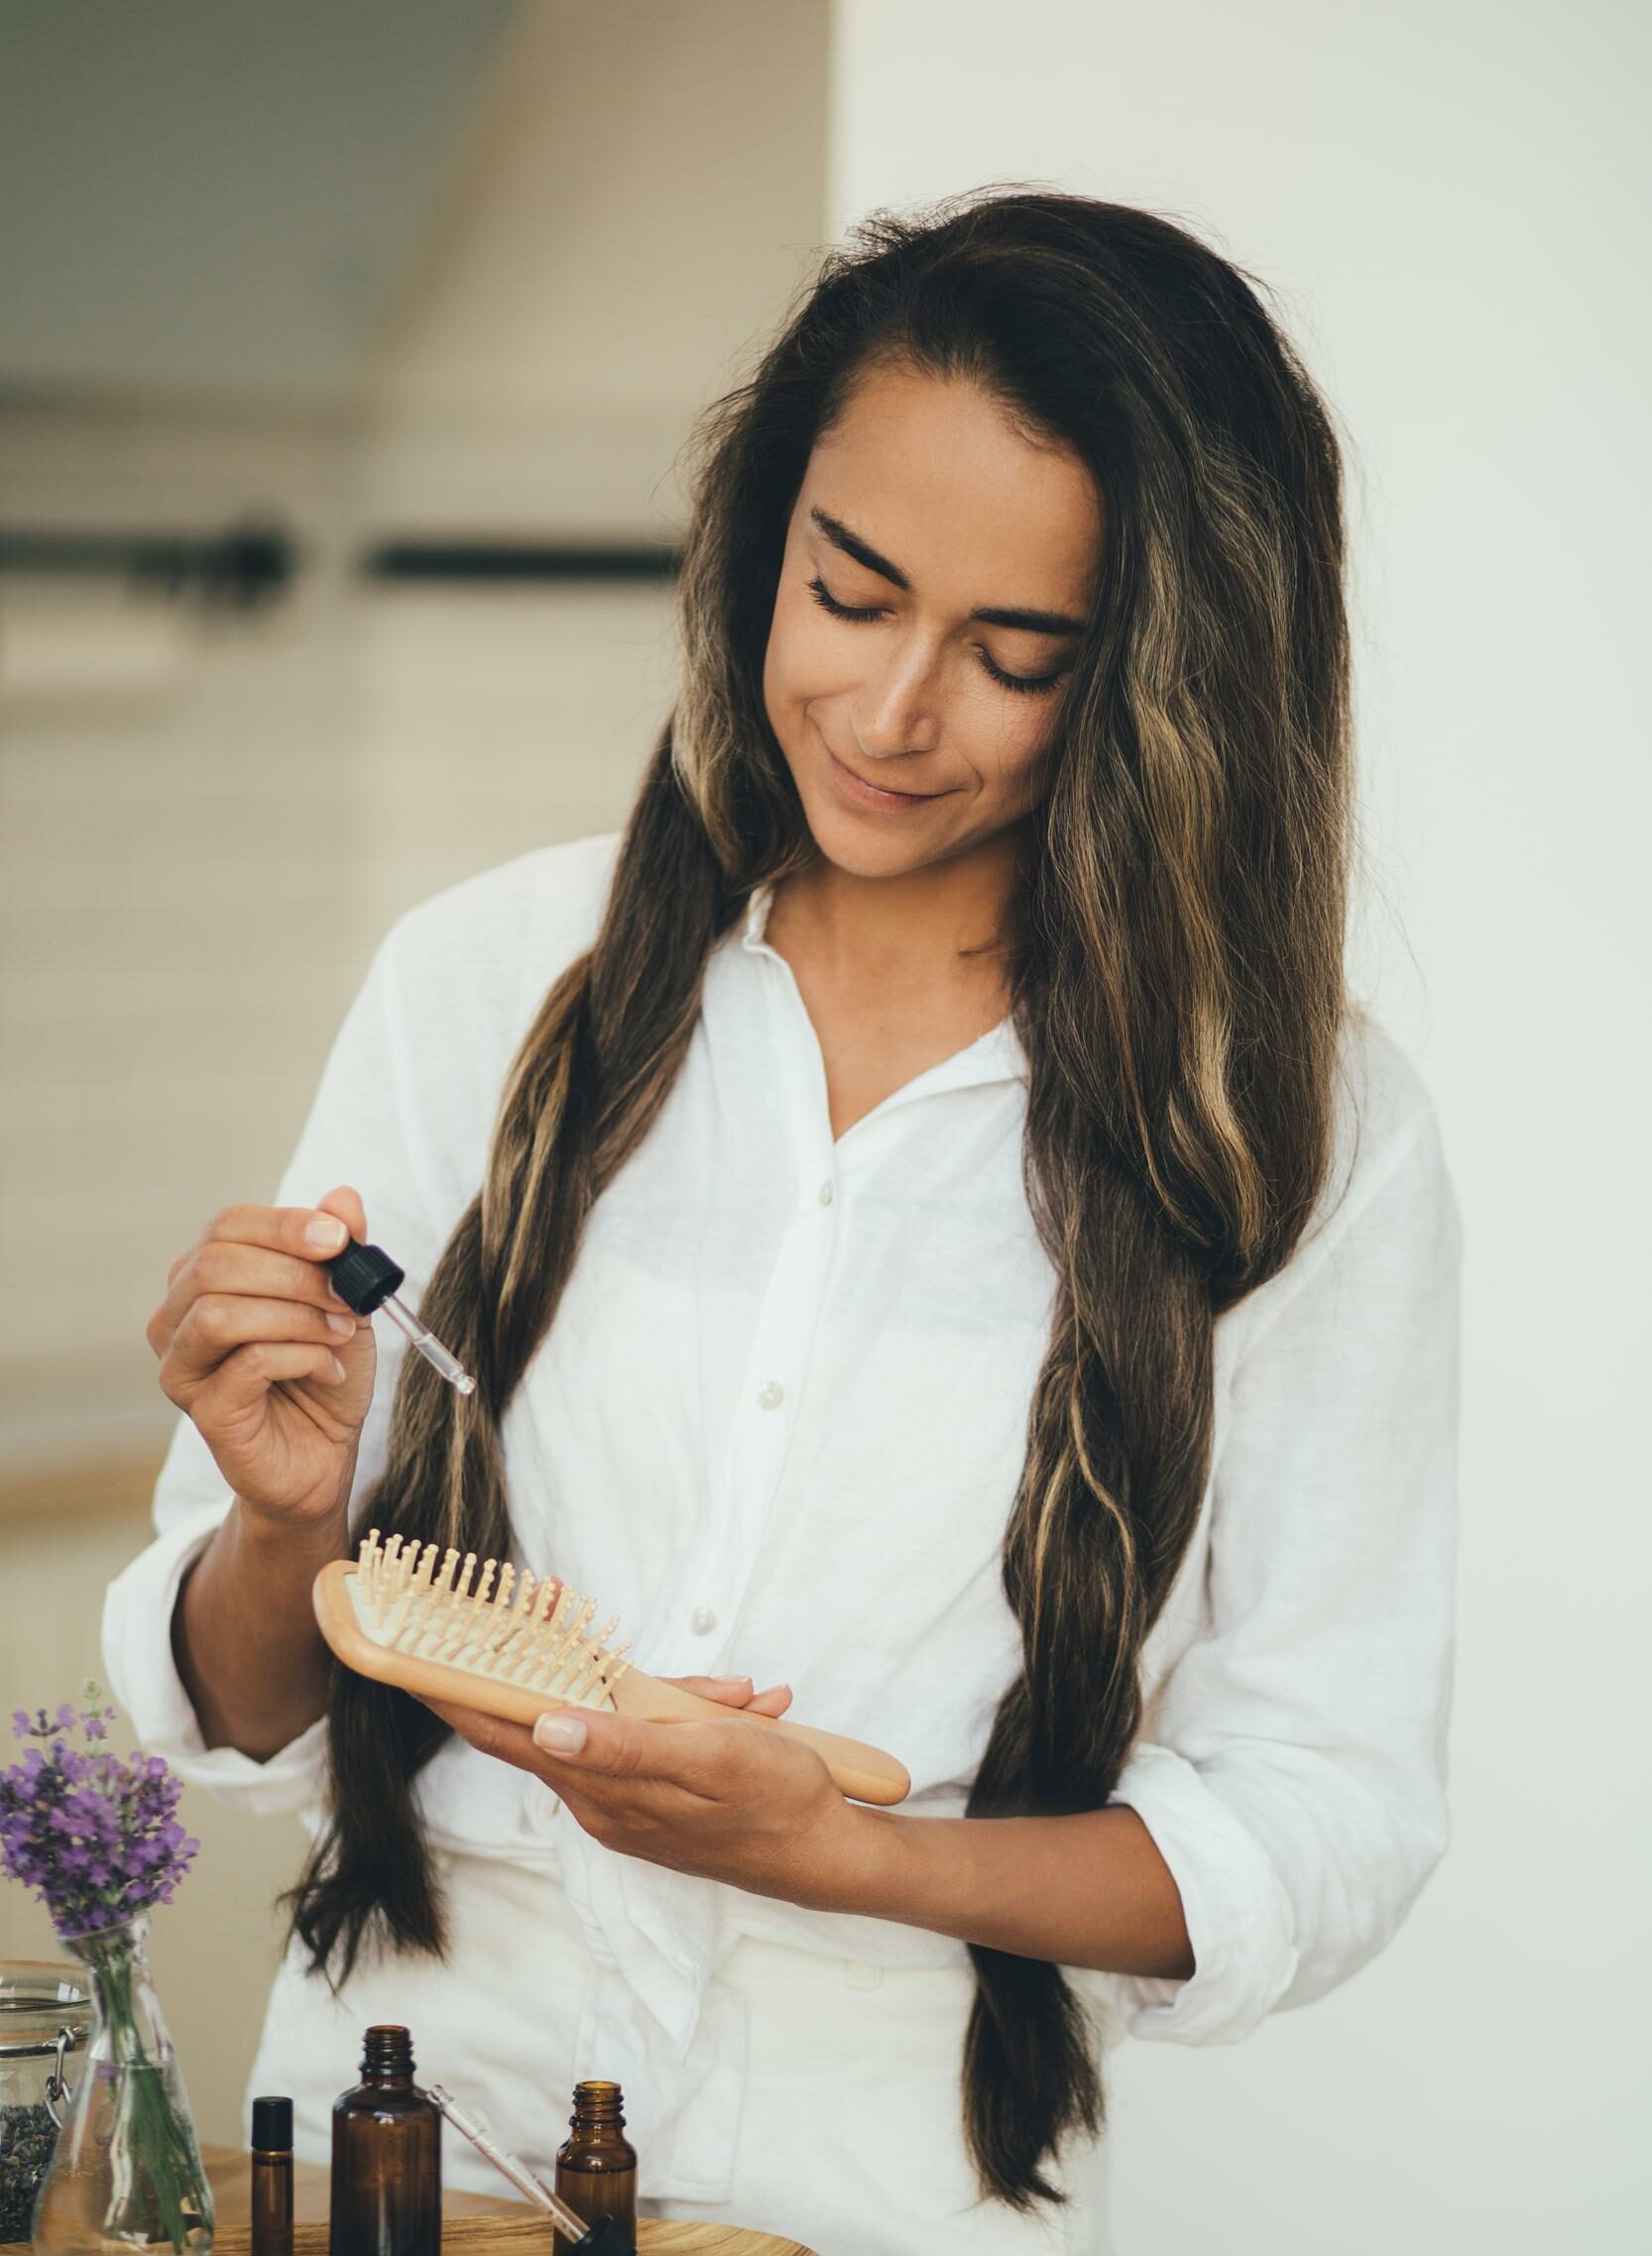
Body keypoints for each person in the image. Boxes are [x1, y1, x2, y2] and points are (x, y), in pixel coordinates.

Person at [103, 187, 1462, 2254]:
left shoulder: (1291, 1131)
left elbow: (1320, 1812)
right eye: (847, 592)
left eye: (1014, 654)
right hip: (400, 2138)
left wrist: (849, 1855)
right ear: (762, 548)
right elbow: (244, 1698)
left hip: (895, 2179)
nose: (894, 709)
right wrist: (286, 1519)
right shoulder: (488, 981)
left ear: (1161, 686)